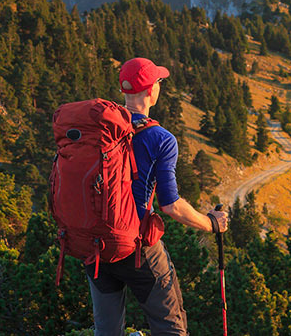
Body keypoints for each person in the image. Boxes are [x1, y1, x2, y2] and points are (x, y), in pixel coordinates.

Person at [85, 57, 229, 336]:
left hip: (94, 245)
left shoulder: (100, 129)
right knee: (170, 327)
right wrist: (211, 223)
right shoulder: (160, 138)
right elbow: (171, 205)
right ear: (151, 90)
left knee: (106, 330)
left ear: (125, 90)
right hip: (135, 246)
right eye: (158, 82)